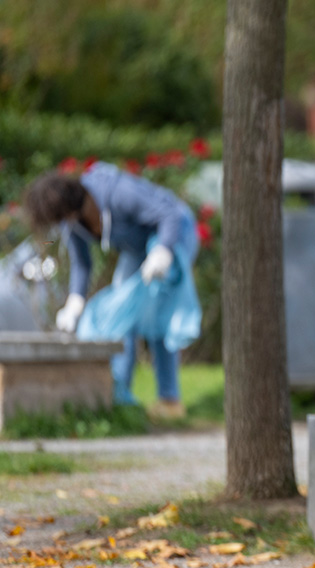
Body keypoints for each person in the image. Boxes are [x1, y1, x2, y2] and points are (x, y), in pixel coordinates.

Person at [23, 163, 199, 419]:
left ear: (69, 207)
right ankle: (119, 396)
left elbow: (168, 215)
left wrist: (163, 250)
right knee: (121, 314)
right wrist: (75, 303)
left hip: (173, 231)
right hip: (137, 247)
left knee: (161, 311)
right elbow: (82, 265)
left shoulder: (119, 193)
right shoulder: (72, 222)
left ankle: (170, 400)